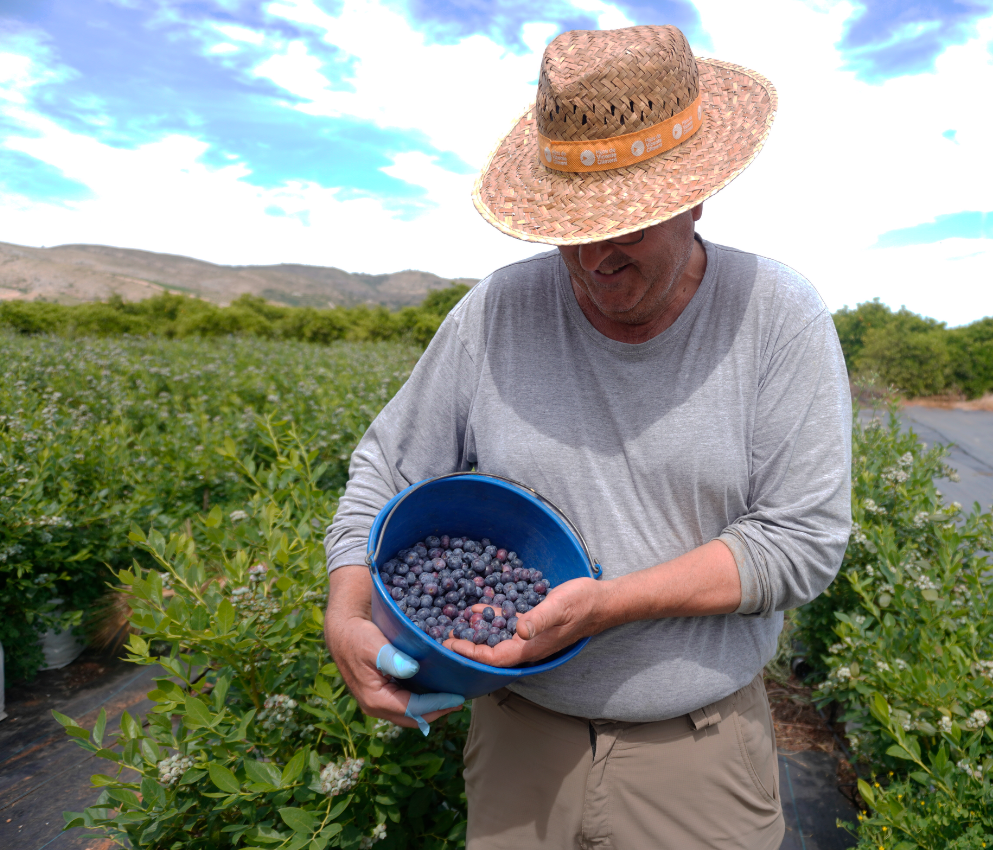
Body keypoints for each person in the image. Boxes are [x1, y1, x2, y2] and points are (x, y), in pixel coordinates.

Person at [324, 23, 852, 850]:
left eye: (628, 226)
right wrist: (347, 610)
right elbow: (387, 469)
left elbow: (802, 541)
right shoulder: (498, 312)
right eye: (571, 226)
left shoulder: (777, 317)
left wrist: (609, 605)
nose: (594, 258)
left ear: (695, 198)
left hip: (698, 756)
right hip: (516, 744)